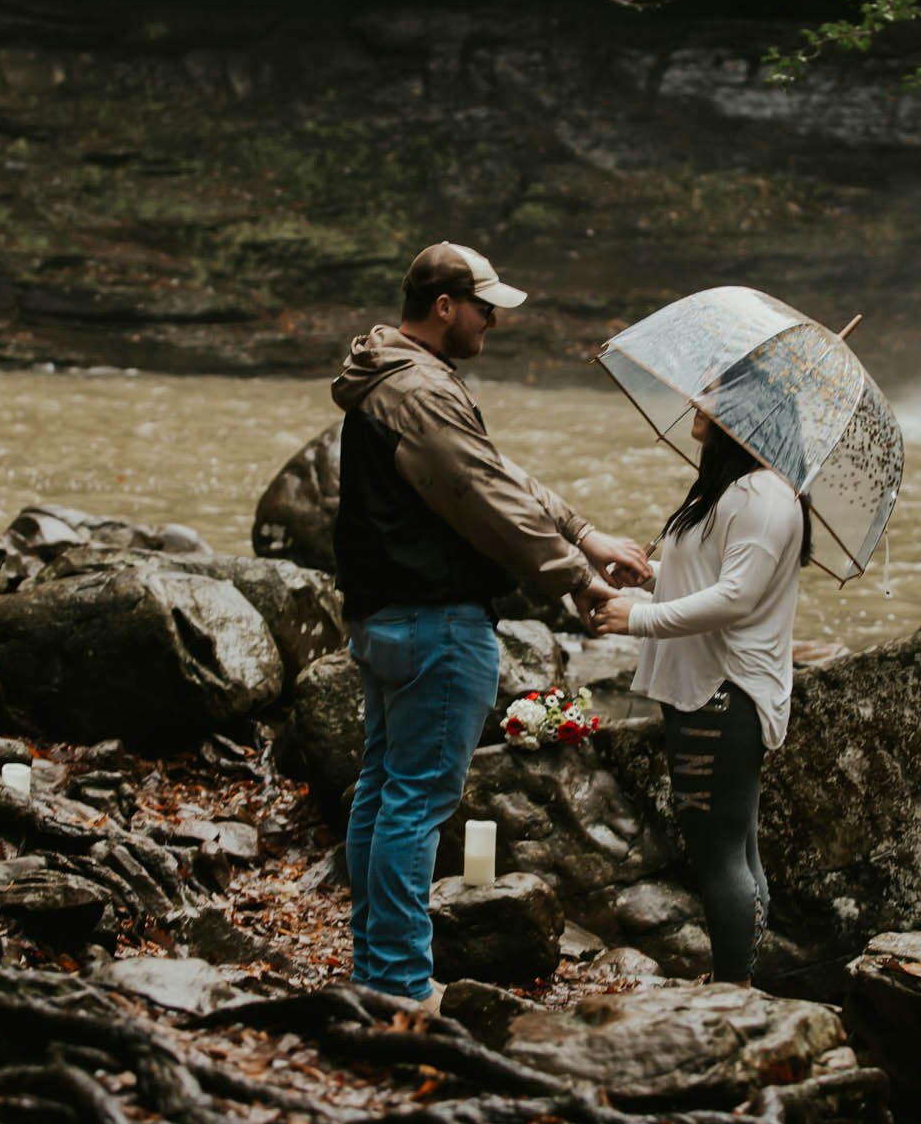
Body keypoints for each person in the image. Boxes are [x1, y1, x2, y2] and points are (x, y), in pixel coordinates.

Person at [332, 240, 649, 1013]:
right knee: (411, 802)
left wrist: (582, 531)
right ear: (445, 307)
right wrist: (575, 580)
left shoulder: (397, 377)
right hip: (432, 621)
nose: (494, 323)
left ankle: (375, 966)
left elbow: (492, 469)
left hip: (388, 618)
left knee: (383, 791)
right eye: (486, 308)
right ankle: (400, 983)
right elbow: (482, 492)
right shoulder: (419, 388)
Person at [588, 398, 809, 986]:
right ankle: (740, 982)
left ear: (746, 410)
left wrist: (634, 618)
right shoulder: (734, 487)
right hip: (702, 688)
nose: (696, 400)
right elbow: (712, 577)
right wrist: (651, 578)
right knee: (736, 851)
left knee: (720, 858)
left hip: (724, 692)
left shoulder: (765, 496)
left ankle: (734, 988)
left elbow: (735, 598)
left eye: (713, 392)